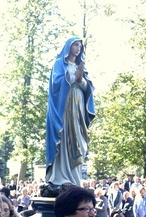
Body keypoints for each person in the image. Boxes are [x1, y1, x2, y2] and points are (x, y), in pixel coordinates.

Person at [45, 37, 95, 192]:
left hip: (78, 108)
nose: (78, 48)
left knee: (78, 141)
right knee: (64, 139)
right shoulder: (59, 64)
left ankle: (74, 178)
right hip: (63, 108)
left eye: (80, 45)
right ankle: (60, 178)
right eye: (75, 44)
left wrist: (81, 79)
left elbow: (87, 88)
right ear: (68, 46)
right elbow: (56, 83)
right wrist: (73, 76)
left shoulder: (81, 66)